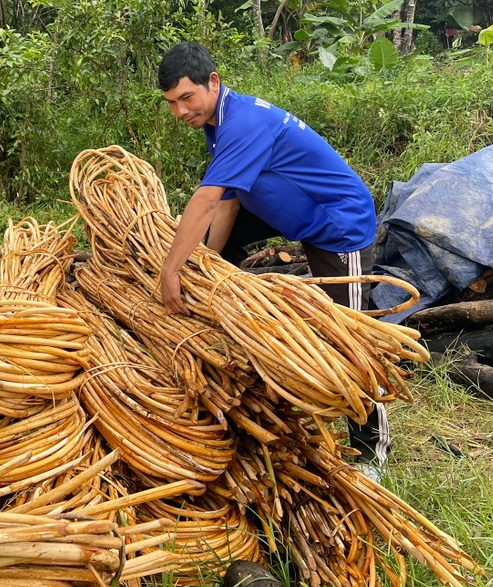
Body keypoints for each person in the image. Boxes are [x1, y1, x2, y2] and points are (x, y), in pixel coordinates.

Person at [156, 41, 388, 472]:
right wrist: (206, 261)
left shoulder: (243, 123)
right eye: (171, 103)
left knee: (349, 340)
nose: (180, 112)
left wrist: (172, 269)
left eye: (186, 98)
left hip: (338, 226)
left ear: (213, 82)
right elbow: (227, 202)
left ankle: (372, 447)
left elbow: (206, 198)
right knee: (215, 249)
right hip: (290, 213)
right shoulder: (219, 120)